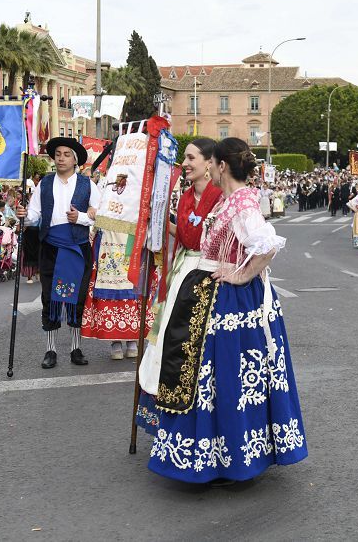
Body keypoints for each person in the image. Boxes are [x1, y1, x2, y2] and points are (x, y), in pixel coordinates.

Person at [144, 138, 306, 483]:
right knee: (214, 380)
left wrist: (243, 273)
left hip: (234, 302)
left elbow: (266, 244)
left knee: (225, 378)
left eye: (210, 162)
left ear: (219, 166)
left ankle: (228, 454)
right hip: (216, 297)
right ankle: (220, 453)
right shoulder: (232, 201)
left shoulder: (242, 202)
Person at [137, 138, 223, 431]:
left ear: (209, 163)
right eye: (184, 158)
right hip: (184, 269)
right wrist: (159, 221)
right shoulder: (186, 197)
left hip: (211, 271)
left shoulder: (221, 196)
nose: (185, 164)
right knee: (171, 337)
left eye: (191, 158)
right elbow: (186, 238)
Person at [17, 137, 99, 368]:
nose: (61, 158)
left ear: (75, 160)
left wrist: (81, 217)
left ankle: (76, 348)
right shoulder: (45, 183)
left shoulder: (88, 185)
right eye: (58, 154)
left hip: (77, 248)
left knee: (76, 300)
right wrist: (22, 214)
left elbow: (101, 214)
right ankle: (50, 350)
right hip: (51, 248)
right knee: (50, 298)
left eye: (66, 154)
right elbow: (33, 215)